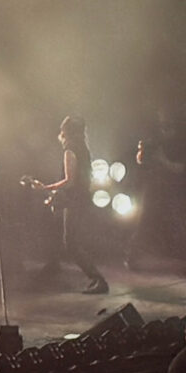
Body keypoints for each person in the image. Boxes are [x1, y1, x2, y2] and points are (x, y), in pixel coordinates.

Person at [31, 115, 110, 295]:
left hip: (74, 200)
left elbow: (69, 180)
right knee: (62, 233)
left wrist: (45, 187)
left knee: (71, 243)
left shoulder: (70, 150)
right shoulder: (83, 148)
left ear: (65, 131)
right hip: (79, 198)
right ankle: (56, 263)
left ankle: (98, 279)